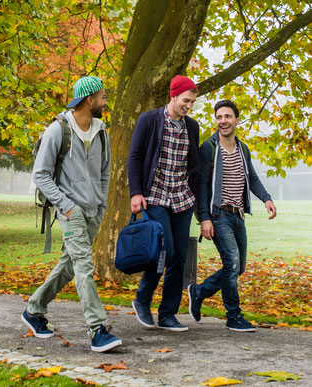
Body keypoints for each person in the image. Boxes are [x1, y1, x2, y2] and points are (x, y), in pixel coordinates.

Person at [21, 76, 122, 353]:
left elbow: (104, 172)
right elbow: (41, 175)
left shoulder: (102, 131)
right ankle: (97, 329)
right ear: (89, 100)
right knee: (84, 266)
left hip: (93, 211)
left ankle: (34, 310)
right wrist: (66, 205)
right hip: (70, 211)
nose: (104, 101)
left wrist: (101, 205)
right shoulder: (58, 130)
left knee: (69, 265)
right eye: (102, 96)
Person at [188, 100, 276, 332]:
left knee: (239, 267)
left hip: (238, 215)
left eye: (227, 116)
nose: (223, 121)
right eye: (219, 117)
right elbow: (203, 185)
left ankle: (198, 292)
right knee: (232, 263)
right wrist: (204, 218)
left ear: (237, 119)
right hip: (219, 215)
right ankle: (233, 316)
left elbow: (252, 178)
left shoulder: (242, 148)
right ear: (215, 121)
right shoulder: (209, 148)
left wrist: (266, 198)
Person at [127, 75, 200, 332]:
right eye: (185, 100)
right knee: (164, 250)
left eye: (192, 102)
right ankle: (142, 299)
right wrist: (136, 192)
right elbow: (134, 157)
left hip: (181, 199)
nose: (188, 106)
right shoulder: (150, 119)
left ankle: (168, 314)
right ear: (173, 95)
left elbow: (194, 166)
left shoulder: (192, 126)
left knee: (179, 258)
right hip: (155, 196)